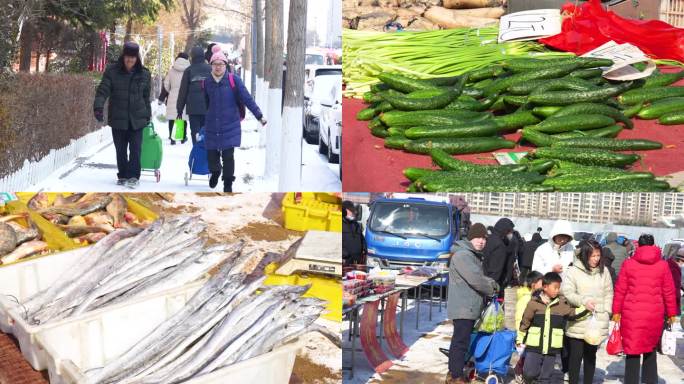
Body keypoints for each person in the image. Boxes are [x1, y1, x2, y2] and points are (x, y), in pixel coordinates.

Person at [612, 236, 677, 384]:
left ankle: (631, 381)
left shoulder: (628, 264)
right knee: (650, 348)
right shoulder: (663, 265)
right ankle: (650, 380)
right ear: (653, 245)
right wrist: (672, 313)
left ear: (638, 245)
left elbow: (620, 290)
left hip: (631, 314)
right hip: (654, 314)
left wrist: (616, 311)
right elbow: (669, 291)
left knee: (632, 348)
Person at [203, 45, 266, 192]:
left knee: (228, 155)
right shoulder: (206, 83)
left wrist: (259, 115)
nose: (218, 67)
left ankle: (228, 184)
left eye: (221, 64)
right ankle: (216, 171)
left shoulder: (234, 80)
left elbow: (247, 98)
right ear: (211, 66)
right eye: (215, 64)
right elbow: (206, 103)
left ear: (226, 65)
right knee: (211, 154)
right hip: (212, 125)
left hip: (230, 124)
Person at [93, 41, 151, 189]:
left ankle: (133, 176)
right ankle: (123, 175)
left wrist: (147, 115)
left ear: (137, 58)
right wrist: (98, 106)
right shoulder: (112, 71)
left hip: (137, 119)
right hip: (118, 117)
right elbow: (103, 90)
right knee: (121, 149)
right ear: (123, 56)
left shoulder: (144, 74)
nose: (130, 60)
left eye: (132, 57)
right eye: (127, 57)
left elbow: (146, 97)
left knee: (136, 149)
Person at [446, 223, 498, 384]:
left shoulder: (472, 254)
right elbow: (475, 279)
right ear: (470, 238)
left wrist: (491, 283)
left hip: (468, 305)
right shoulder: (464, 255)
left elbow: (479, 277)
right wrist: (492, 288)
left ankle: (455, 371)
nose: (481, 241)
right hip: (463, 306)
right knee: (460, 341)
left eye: (484, 238)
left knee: (463, 340)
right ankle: (455, 375)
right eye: (478, 237)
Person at [518, 272, 589, 384]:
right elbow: (525, 321)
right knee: (529, 372)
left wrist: (587, 308)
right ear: (545, 287)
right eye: (555, 287)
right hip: (534, 346)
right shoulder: (533, 303)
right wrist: (520, 339)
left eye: (559, 288)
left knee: (545, 377)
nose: (557, 290)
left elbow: (573, 313)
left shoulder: (561, 305)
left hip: (551, 348)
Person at [562, 240, 613, 384]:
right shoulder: (573, 271)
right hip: (578, 319)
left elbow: (609, 293)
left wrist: (606, 311)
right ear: (585, 255)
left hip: (597, 321)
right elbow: (567, 292)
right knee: (575, 357)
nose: (596, 259)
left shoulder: (604, 271)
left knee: (591, 356)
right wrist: (583, 301)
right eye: (593, 256)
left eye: (598, 255)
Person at [177, 46, 211, 146]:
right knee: (206, 131)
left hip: (193, 108)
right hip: (208, 107)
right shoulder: (210, 69)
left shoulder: (188, 70)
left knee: (195, 132)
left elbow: (183, 91)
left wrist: (179, 109)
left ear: (192, 56)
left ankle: (196, 150)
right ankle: (206, 152)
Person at [514, 271, 544, 382]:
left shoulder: (538, 298)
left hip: (534, 333)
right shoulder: (525, 299)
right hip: (524, 333)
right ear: (533, 285)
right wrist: (521, 333)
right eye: (542, 283)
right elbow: (519, 318)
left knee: (530, 356)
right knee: (524, 356)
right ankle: (519, 371)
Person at [161, 52, 190, 145]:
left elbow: (166, 84)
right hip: (185, 96)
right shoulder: (189, 70)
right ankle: (183, 137)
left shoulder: (171, 70)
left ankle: (172, 138)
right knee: (183, 117)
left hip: (173, 95)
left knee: (172, 117)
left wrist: (171, 90)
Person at [482, 218, 515, 291]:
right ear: (504, 230)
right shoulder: (500, 245)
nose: (510, 233)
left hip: (482, 277)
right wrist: (494, 288)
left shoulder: (489, 239)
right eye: (509, 231)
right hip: (491, 284)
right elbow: (495, 270)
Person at [342, 201, 366, 266]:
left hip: (356, 261)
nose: (353, 213)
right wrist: (345, 255)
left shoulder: (356, 224)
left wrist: (364, 249)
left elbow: (361, 239)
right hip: (345, 261)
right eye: (350, 210)